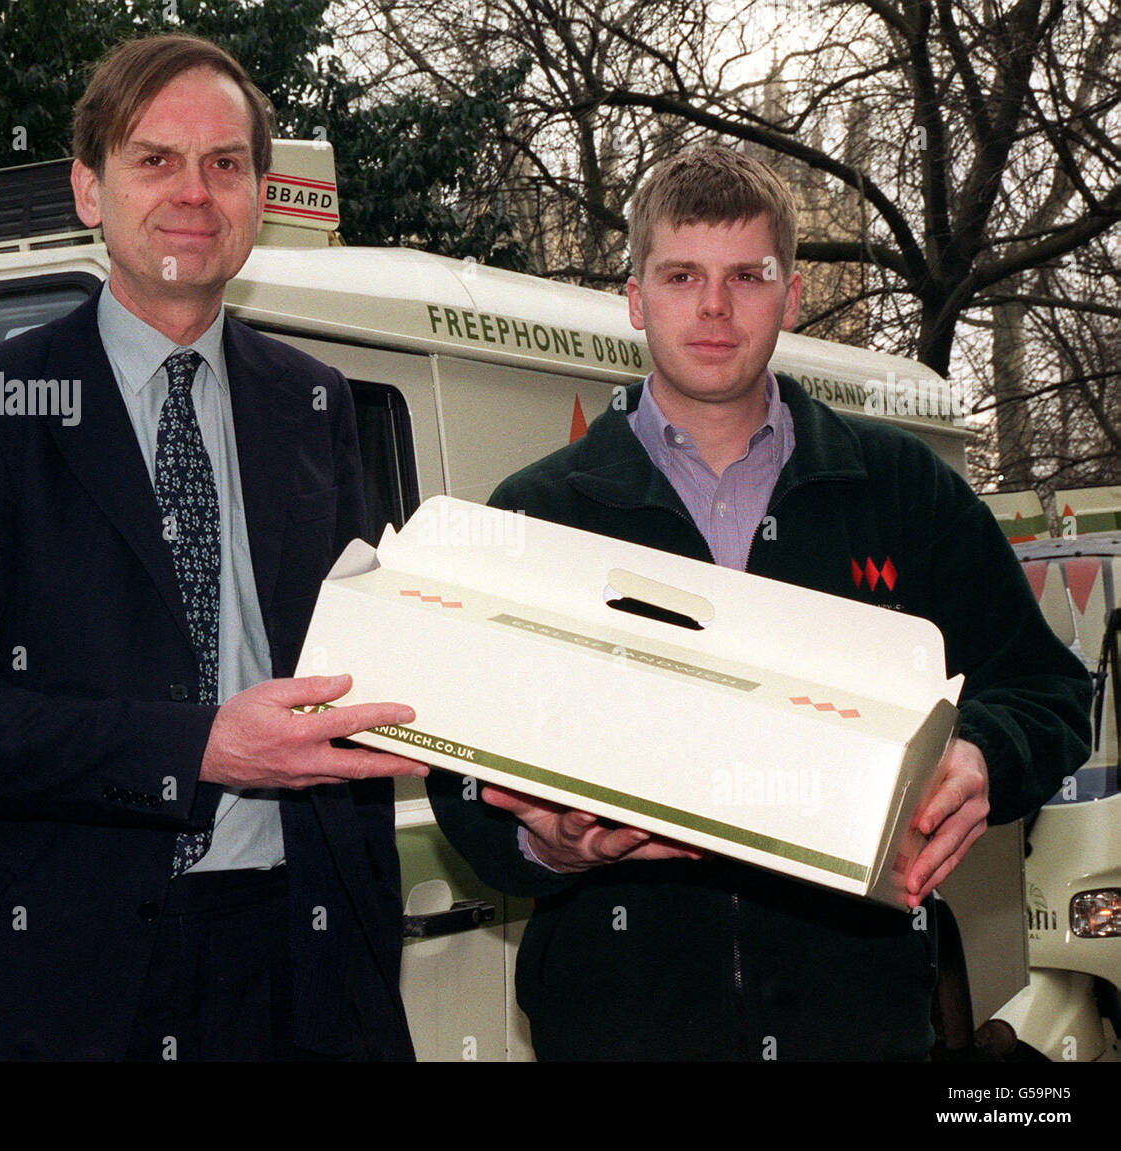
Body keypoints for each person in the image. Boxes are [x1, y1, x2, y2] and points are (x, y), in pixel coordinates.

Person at [427, 144, 1092, 1061]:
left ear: (793, 293)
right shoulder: (541, 514)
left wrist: (983, 753)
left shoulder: (903, 491)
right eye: (682, 275)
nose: (712, 306)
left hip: (858, 1023)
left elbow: (1049, 693)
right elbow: (459, 778)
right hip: (619, 1028)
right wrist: (551, 848)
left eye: (747, 275)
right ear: (634, 296)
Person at [0, 33, 426, 1062]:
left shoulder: (314, 401)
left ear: (259, 196)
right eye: (154, 159)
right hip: (49, 977)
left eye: (225, 164)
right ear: (89, 189)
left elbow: (364, 658)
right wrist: (196, 748)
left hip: (292, 967)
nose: (194, 194)